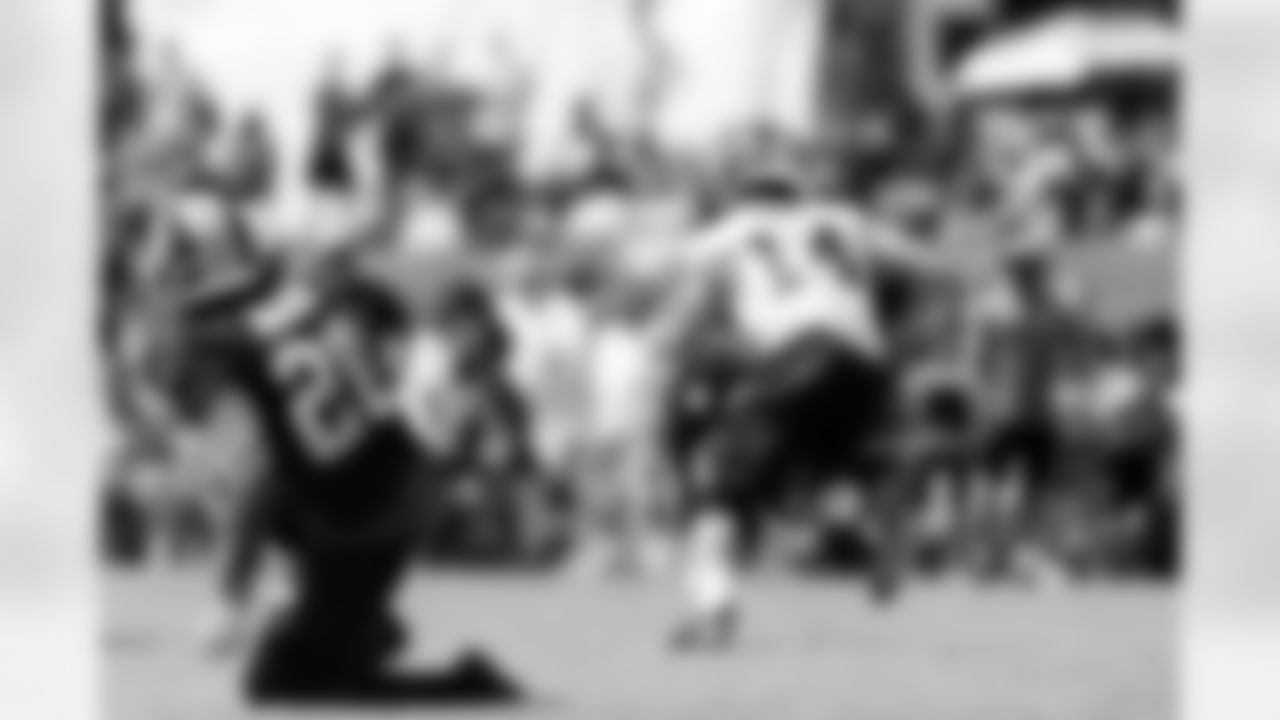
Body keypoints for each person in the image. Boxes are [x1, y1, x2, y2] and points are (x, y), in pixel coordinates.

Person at [666, 173, 946, 649]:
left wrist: (679, 346)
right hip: (863, 362)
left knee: (717, 488)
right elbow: (929, 268)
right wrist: (901, 336)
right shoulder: (844, 220)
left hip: (794, 355)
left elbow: (679, 295)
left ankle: (714, 605)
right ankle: (890, 523)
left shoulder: (738, 227)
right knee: (856, 459)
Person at [186, 247, 430, 699]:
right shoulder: (325, 314)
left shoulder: (259, 339)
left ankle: (325, 612)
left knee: (260, 477)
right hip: (384, 482)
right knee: (260, 474)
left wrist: (229, 594)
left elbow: (258, 481)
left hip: (362, 497)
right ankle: (328, 606)